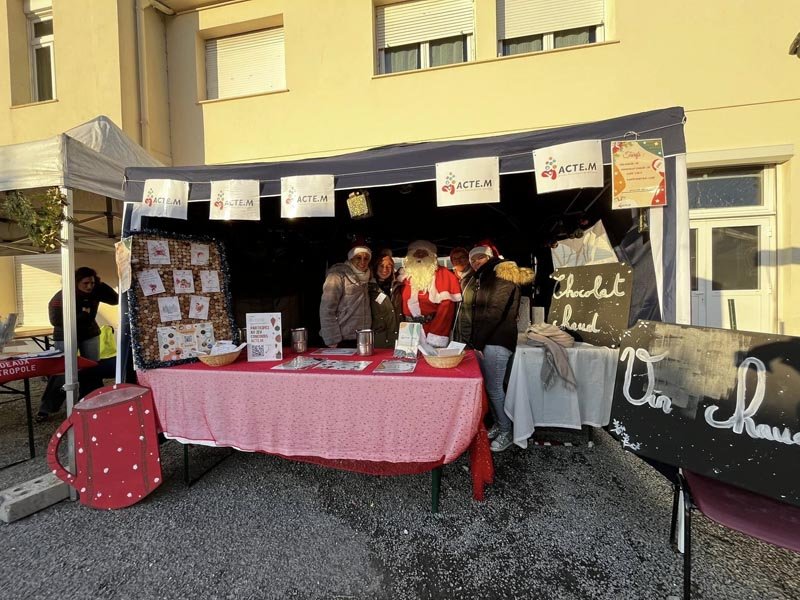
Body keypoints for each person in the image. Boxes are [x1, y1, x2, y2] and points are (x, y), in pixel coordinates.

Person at [468, 244, 534, 452]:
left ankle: (507, 430)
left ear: (489, 257)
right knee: (491, 386)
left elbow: (494, 311)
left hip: (497, 341)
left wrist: (478, 342)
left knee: (495, 388)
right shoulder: (486, 276)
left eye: (479, 257)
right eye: (472, 260)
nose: (475, 262)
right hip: (490, 339)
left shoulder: (502, 274)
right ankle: (500, 424)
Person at [37, 267, 119, 421]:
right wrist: (81, 315)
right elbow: (55, 320)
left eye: (92, 283)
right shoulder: (61, 297)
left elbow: (115, 300)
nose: (89, 286)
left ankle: (90, 401)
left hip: (90, 334)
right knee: (63, 371)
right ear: (75, 283)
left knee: (92, 368)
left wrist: (100, 285)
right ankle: (47, 408)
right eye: (85, 283)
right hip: (66, 336)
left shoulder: (95, 291)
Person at [398, 240, 462, 347]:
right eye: (416, 253)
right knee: (409, 361)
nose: (419, 256)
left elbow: (446, 310)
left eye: (424, 253)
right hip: (408, 331)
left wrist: (436, 335)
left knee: (432, 361)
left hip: (433, 328)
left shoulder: (445, 275)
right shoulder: (403, 276)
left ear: (432, 256)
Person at [319, 241, 372, 348]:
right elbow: (326, 309)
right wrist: (332, 338)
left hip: (361, 336)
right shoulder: (337, 275)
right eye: (358, 257)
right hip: (341, 338)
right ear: (351, 258)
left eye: (366, 258)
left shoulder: (368, 277)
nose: (362, 261)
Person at [368, 249, 401, 349]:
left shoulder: (398, 286)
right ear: (376, 267)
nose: (385, 269)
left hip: (399, 339)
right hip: (379, 340)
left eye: (388, 266)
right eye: (381, 266)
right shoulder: (368, 288)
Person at [450, 247, 475, 344]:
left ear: (468, 259)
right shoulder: (450, 277)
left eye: (462, 257)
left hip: (471, 326)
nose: (459, 261)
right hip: (454, 327)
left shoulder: (476, 276)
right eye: (455, 259)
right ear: (452, 262)